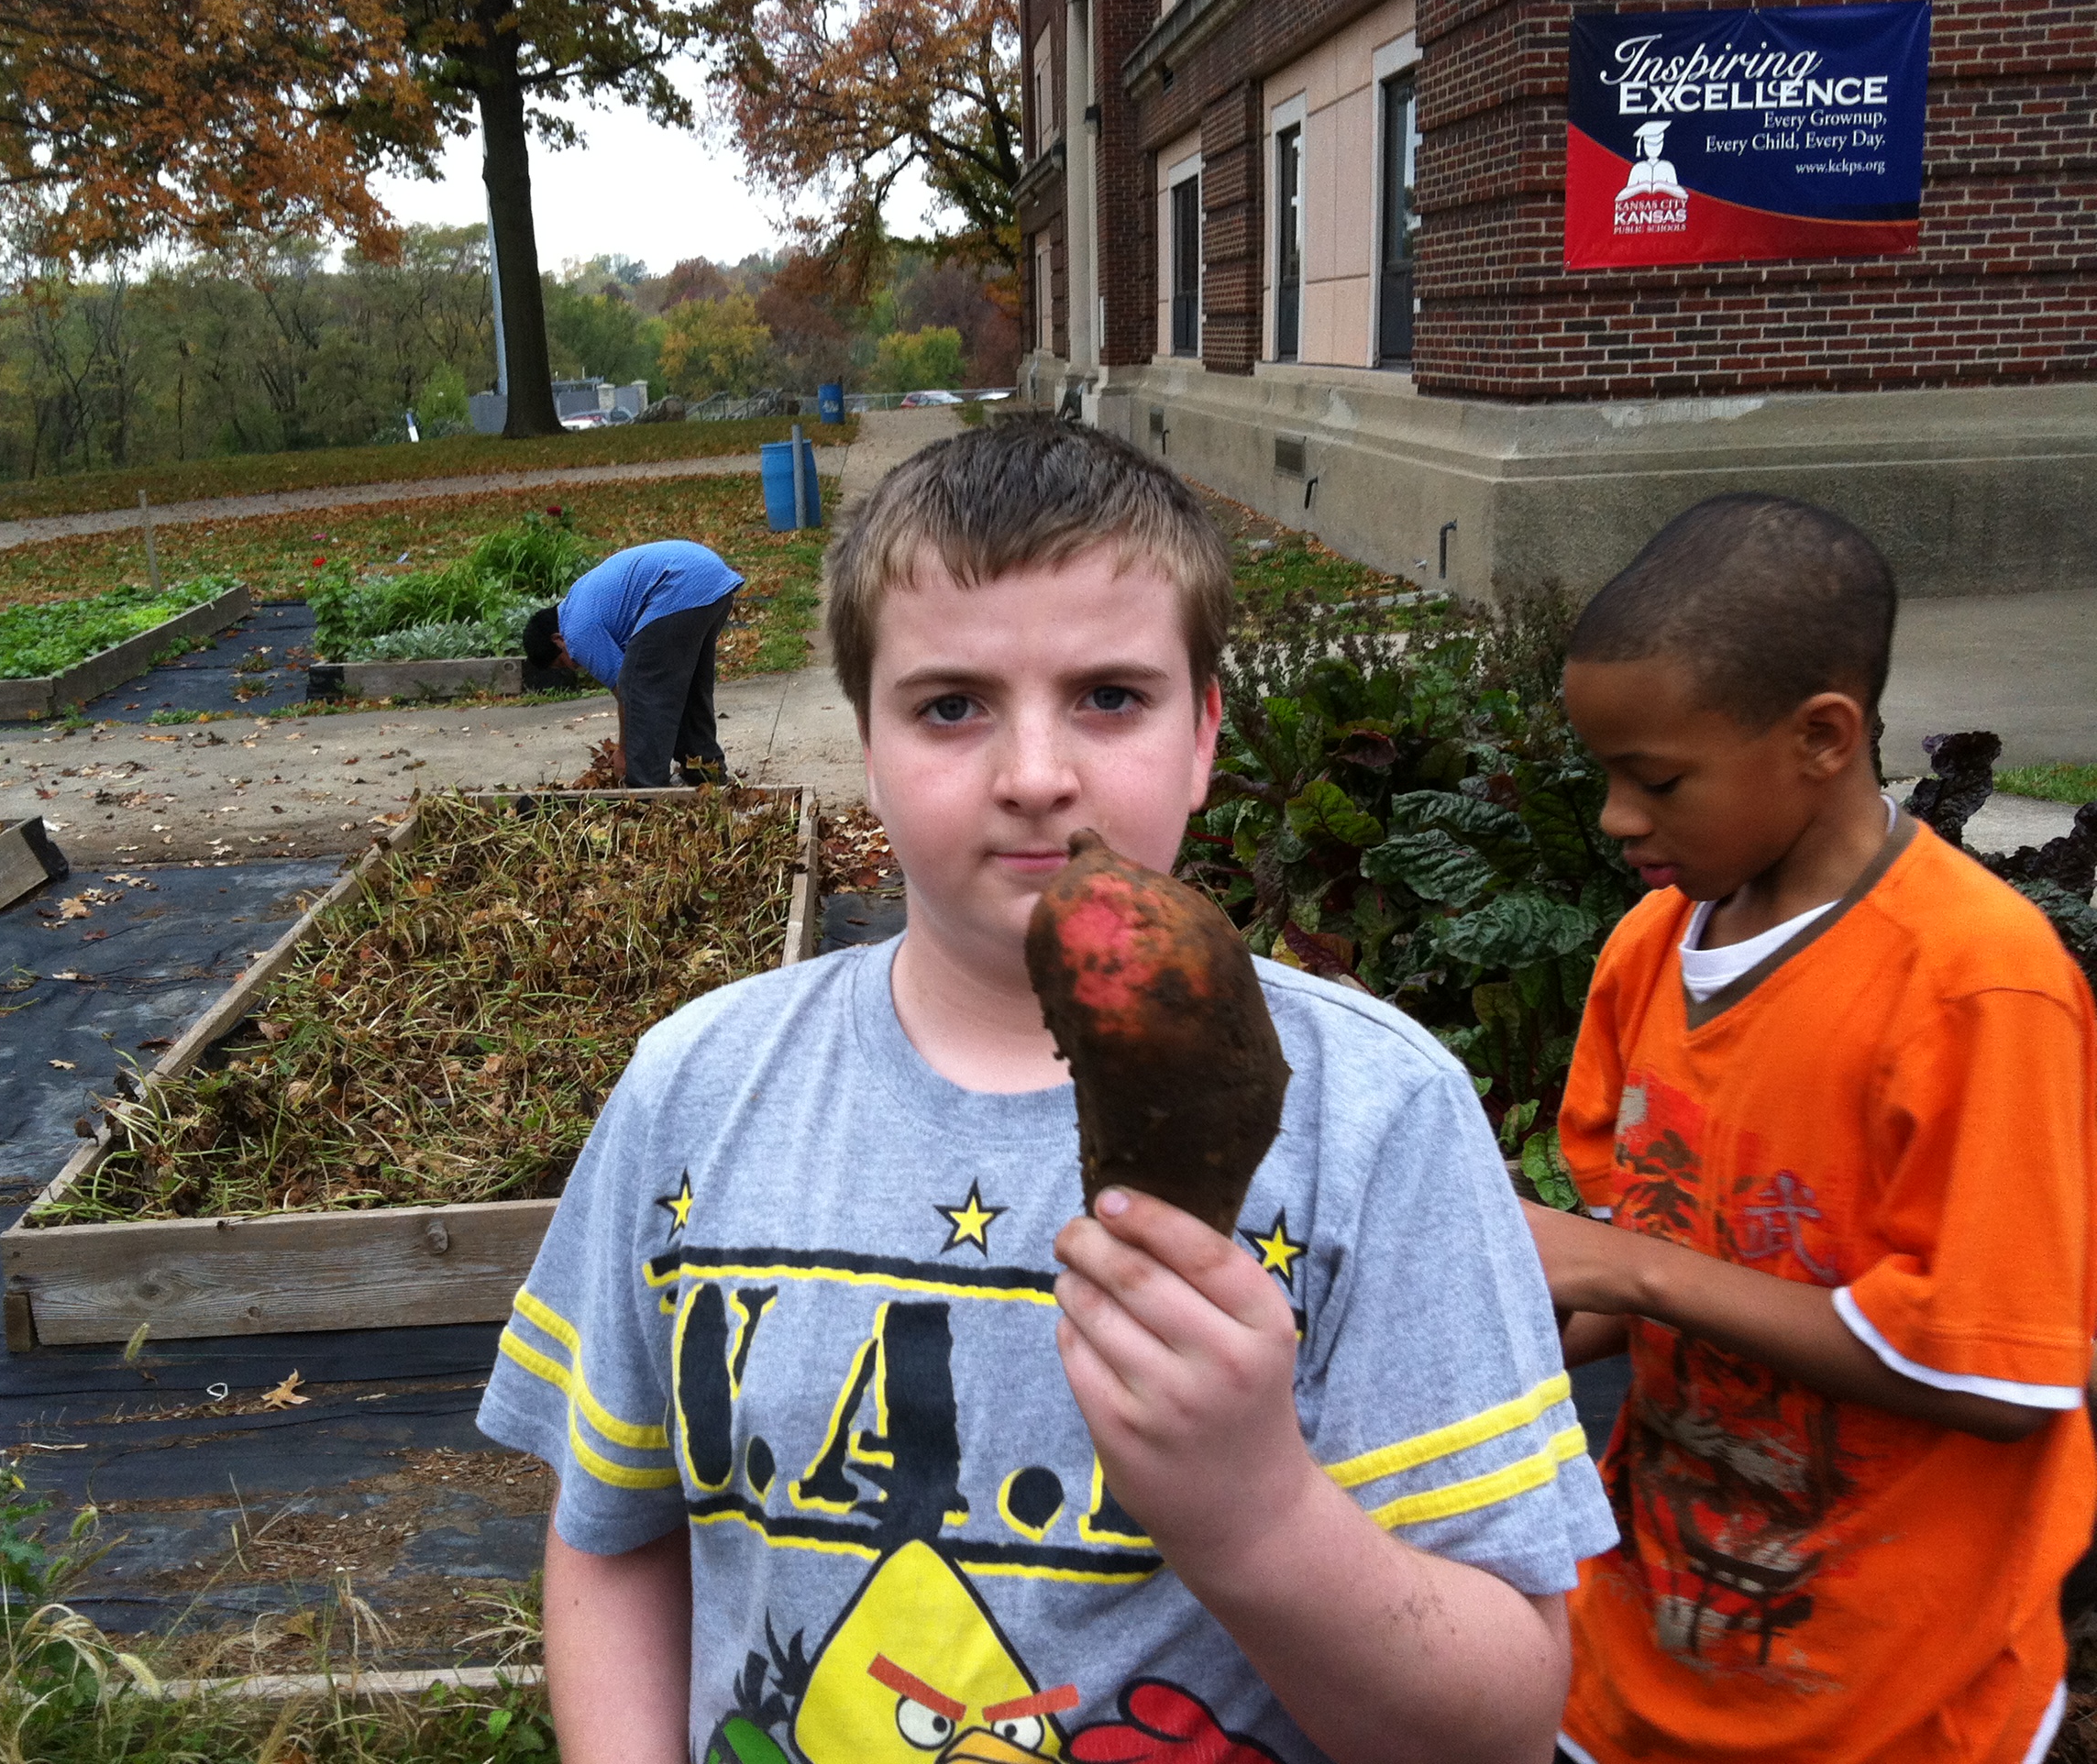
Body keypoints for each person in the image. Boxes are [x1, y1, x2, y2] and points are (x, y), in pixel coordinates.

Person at [477, 418, 1614, 1764]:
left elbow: (1500, 1725)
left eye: (1110, 697)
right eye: (950, 706)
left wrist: (1259, 1518)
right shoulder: (698, 1089)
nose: (1034, 777)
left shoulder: (1376, 1117)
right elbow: (614, 1536)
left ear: (1204, 736)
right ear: (867, 742)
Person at [1525, 494, 2097, 1764]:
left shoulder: (1979, 984)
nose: (1617, 816)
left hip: (1893, 1702)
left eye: (1656, 779)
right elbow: (1652, 1248)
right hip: (1638, 1660)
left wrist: (1622, 1268)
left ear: (1823, 738)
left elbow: (1998, 1375)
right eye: (1606, 775)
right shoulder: (1649, 949)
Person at [524, 538, 745, 787]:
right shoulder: (578, 600)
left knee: (641, 687)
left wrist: (624, 753)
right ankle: (704, 772)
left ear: (557, 640)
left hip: (679, 586)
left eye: (562, 663)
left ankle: (646, 787)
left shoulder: (575, 632)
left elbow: (625, 690)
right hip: (712, 580)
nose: (574, 666)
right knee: (691, 687)